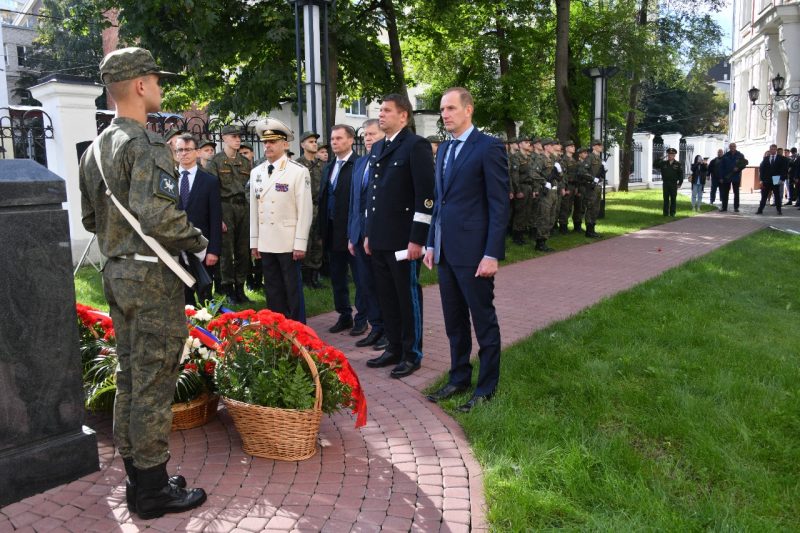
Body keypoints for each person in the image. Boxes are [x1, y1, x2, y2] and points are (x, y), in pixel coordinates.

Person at [78, 46, 207, 519]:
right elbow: (159, 216)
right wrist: (198, 239)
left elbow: (93, 219)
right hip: (152, 278)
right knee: (154, 381)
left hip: (116, 272)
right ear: (137, 85)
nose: (159, 85)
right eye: (155, 78)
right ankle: (153, 492)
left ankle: (140, 477)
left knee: (131, 377)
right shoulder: (146, 145)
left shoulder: (93, 150)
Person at [424, 87, 509, 412]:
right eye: (442, 109)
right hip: (445, 252)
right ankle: (459, 377)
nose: (444, 114)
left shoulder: (488, 147)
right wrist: (432, 241)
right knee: (454, 322)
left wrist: (491, 253)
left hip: (475, 254)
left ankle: (486, 389)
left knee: (482, 320)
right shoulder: (444, 150)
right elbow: (440, 201)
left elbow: (498, 205)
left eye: (450, 108)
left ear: (468, 110)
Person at [363, 93, 435, 379]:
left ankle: (412, 353)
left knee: (407, 296)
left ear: (403, 116)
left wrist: (417, 238)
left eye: (387, 110)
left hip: (404, 240)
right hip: (380, 238)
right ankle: (393, 347)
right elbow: (373, 195)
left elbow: (425, 197)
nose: (381, 115)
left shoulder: (415, 146)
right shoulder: (378, 147)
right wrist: (369, 234)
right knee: (387, 297)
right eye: (380, 110)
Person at [250, 117, 313, 322]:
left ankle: (299, 333)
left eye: (273, 141)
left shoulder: (297, 171)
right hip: (266, 241)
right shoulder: (256, 172)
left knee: (292, 291)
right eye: (265, 142)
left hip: (288, 241)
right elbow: (254, 209)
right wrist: (254, 241)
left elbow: (305, 210)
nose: (267, 146)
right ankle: (276, 332)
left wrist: (300, 243)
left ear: (285, 144)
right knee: (273, 290)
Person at [317, 125, 366, 334]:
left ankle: (362, 317)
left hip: (352, 231)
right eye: (332, 138)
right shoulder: (329, 167)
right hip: (332, 230)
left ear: (350, 140)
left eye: (339, 138)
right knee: (337, 276)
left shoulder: (358, 165)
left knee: (360, 277)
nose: (334, 142)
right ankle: (344, 314)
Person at [348, 119, 388, 350]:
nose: (368, 138)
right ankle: (375, 327)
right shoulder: (361, 163)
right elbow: (355, 202)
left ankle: (387, 330)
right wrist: (351, 235)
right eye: (365, 135)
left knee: (381, 284)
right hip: (359, 233)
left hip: (379, 235)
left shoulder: (385, 163)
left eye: (373, 134)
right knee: (365, 284)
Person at [205, 125, 253, 303]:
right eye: (233, 136)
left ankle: (241, 288)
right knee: (226, 251)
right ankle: (228, 289)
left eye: (239, 137)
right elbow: (211, 192)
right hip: (225, 207)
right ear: (224, 138)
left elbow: (250, 188)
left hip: (243, 208)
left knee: (243, 251)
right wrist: (217, 218)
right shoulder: (215, 162)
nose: (238, 139)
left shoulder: (245, 162)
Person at [175, 134, 222, 304]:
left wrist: (214, 250)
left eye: (188, 150)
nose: (184, 153)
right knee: (183, 297)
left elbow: (216, 218)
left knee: (205, 296)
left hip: (202, 249)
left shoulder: (210, 181)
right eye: (180, 150)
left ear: (197, 152)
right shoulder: (168, 180)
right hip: (176, 248)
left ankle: (206, 330)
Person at [296, 131, 325, 289]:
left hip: (319, 206)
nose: (314, 144)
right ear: (302, 145)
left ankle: (315, 276)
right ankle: (305, 277)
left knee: (318, 242)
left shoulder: (321, 164)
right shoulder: (298, 164)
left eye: (315, 141)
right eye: (311, 141)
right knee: (305, 241)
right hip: (305, 206)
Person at [509, 135, 534, 245]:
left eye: (529, 142)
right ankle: (516, 236)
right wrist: (517, 190)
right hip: (522, 187)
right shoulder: (516, 157)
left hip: (529, 186)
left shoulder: (528, 157)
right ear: (520, 145)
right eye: (526, 142)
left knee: (527, 212)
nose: (529, 143)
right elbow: (514, 175)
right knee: (520, 212)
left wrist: (533, 188)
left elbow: (532, 175)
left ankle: (522, 234)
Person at [757, 144, 787, 215]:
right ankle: (760, 210)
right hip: (766, 179)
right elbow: (762, 169)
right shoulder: (766, 158)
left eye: (774, 149)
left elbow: (784, 169)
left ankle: (779, 210)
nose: (773, 150)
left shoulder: (781, 158)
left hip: (776, 178)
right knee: (764, 196)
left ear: (776, 150)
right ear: (770, 150)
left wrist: (782, 179)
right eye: (771, 149)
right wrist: (761, 179)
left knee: (777, 195)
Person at [558, 141, 581, 233]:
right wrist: (564, 188)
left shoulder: (573, 160)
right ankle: (563, 227)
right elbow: (563, 175)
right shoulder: (564, 160)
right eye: (571, 146)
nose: (573, 148)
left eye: (574, 146)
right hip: (567, 186)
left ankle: (566, 225)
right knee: (565, 207)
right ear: (566, 148)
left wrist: (576, 187)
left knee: (569, 207)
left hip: (572, 186)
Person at [654, 147, 683, 216]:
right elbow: (655, 165)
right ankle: (665, 213)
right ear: (667, 155)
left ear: (674, 155)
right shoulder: (663, 163)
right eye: (669, 154)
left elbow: (681, 175)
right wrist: (660, 158)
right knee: (666, 199)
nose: (670, 156)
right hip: (666, 183)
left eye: (672, 154)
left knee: (673, 199)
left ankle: (672, 213)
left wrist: (680, 183)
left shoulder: (678, 164)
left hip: (673, 184)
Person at [719, 143, 748, 212]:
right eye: (731, 146)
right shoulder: (725, 155)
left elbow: (744, 164)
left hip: (736, 176)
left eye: (734, 146)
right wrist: (721, 177)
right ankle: (724, 207)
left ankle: (736, 207)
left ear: (735, 147)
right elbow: (721, 167)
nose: (732, 148)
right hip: (727, 176)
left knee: (736, 192)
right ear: (729, 147)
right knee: (725, 193)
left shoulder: (740, 155)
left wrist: (738, 169)